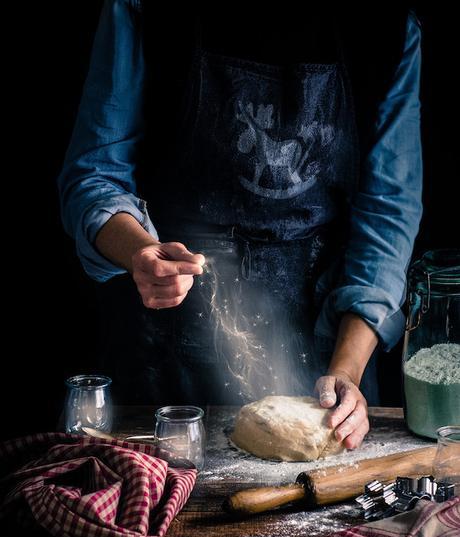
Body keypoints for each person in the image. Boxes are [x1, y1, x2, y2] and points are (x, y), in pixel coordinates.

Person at [58, 3, 422, 450]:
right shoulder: (141, 9)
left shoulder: (383, 28)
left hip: (327, 336)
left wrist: (346, 371)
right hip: (167, 343)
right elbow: (95, 174)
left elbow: (389, 210)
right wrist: (139, 251)